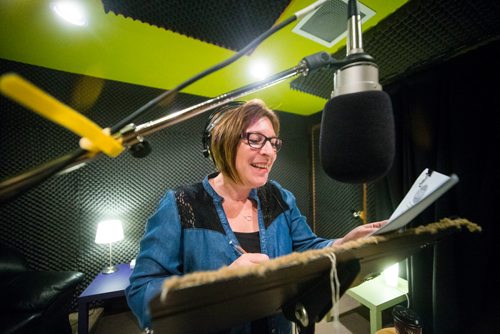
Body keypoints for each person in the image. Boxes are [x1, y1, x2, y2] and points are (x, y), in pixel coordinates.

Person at [125, 99, 386, 333]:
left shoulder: (279, 197)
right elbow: (142, 291)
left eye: (273, 143)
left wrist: (342, 244)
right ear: (223, 141)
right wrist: (218, 286)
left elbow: (307, 247)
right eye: (256, 139)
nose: (269, 152)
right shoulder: (181, 204)